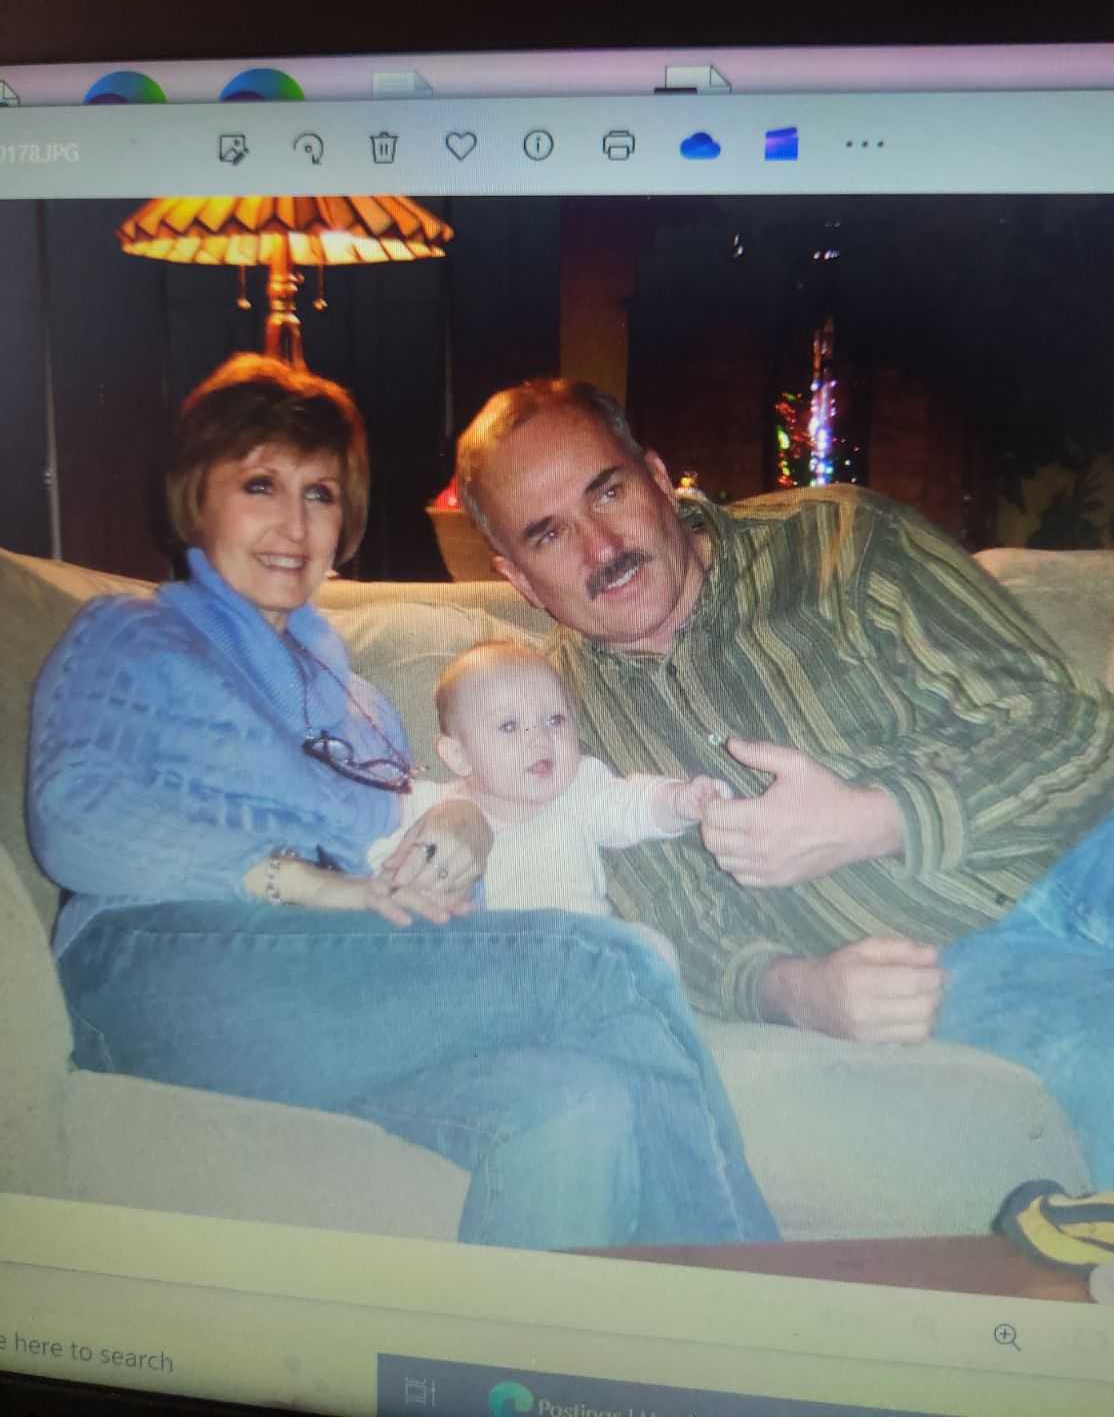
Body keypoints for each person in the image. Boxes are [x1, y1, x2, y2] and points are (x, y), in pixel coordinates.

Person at [26, 353, 777, 1252]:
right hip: (159, 971)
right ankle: (755, 1304)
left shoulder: (360, 705)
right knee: (605, 964)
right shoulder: (135, 635)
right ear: (198, 498)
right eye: (260, 485)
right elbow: (78, 823)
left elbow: (405, 855)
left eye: (320, 494)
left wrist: (461, 821)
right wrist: (299, 881)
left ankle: (517, 1349)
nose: (294, 523)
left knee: (576, 1106)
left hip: (339, 994)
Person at [455, 377, 1114, 1191]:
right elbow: (675, 920)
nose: (602, 548)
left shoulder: (842, 540)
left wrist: (877, 818)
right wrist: (800, 990)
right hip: (961, 963)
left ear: (659, 478)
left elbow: (1072, 721)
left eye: (609, 492)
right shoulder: (554, 720)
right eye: (549, 535)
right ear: (518, 578)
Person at [368, 639, 731, 968]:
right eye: (509, 726)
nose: (539, 738)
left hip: (579, 956)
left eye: (555, 720)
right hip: (488, 966)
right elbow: (374, 858)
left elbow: (633, 805)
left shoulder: (577, 790)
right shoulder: (431, 808)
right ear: (458, 755)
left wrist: (679, 800)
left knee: (650, 949)